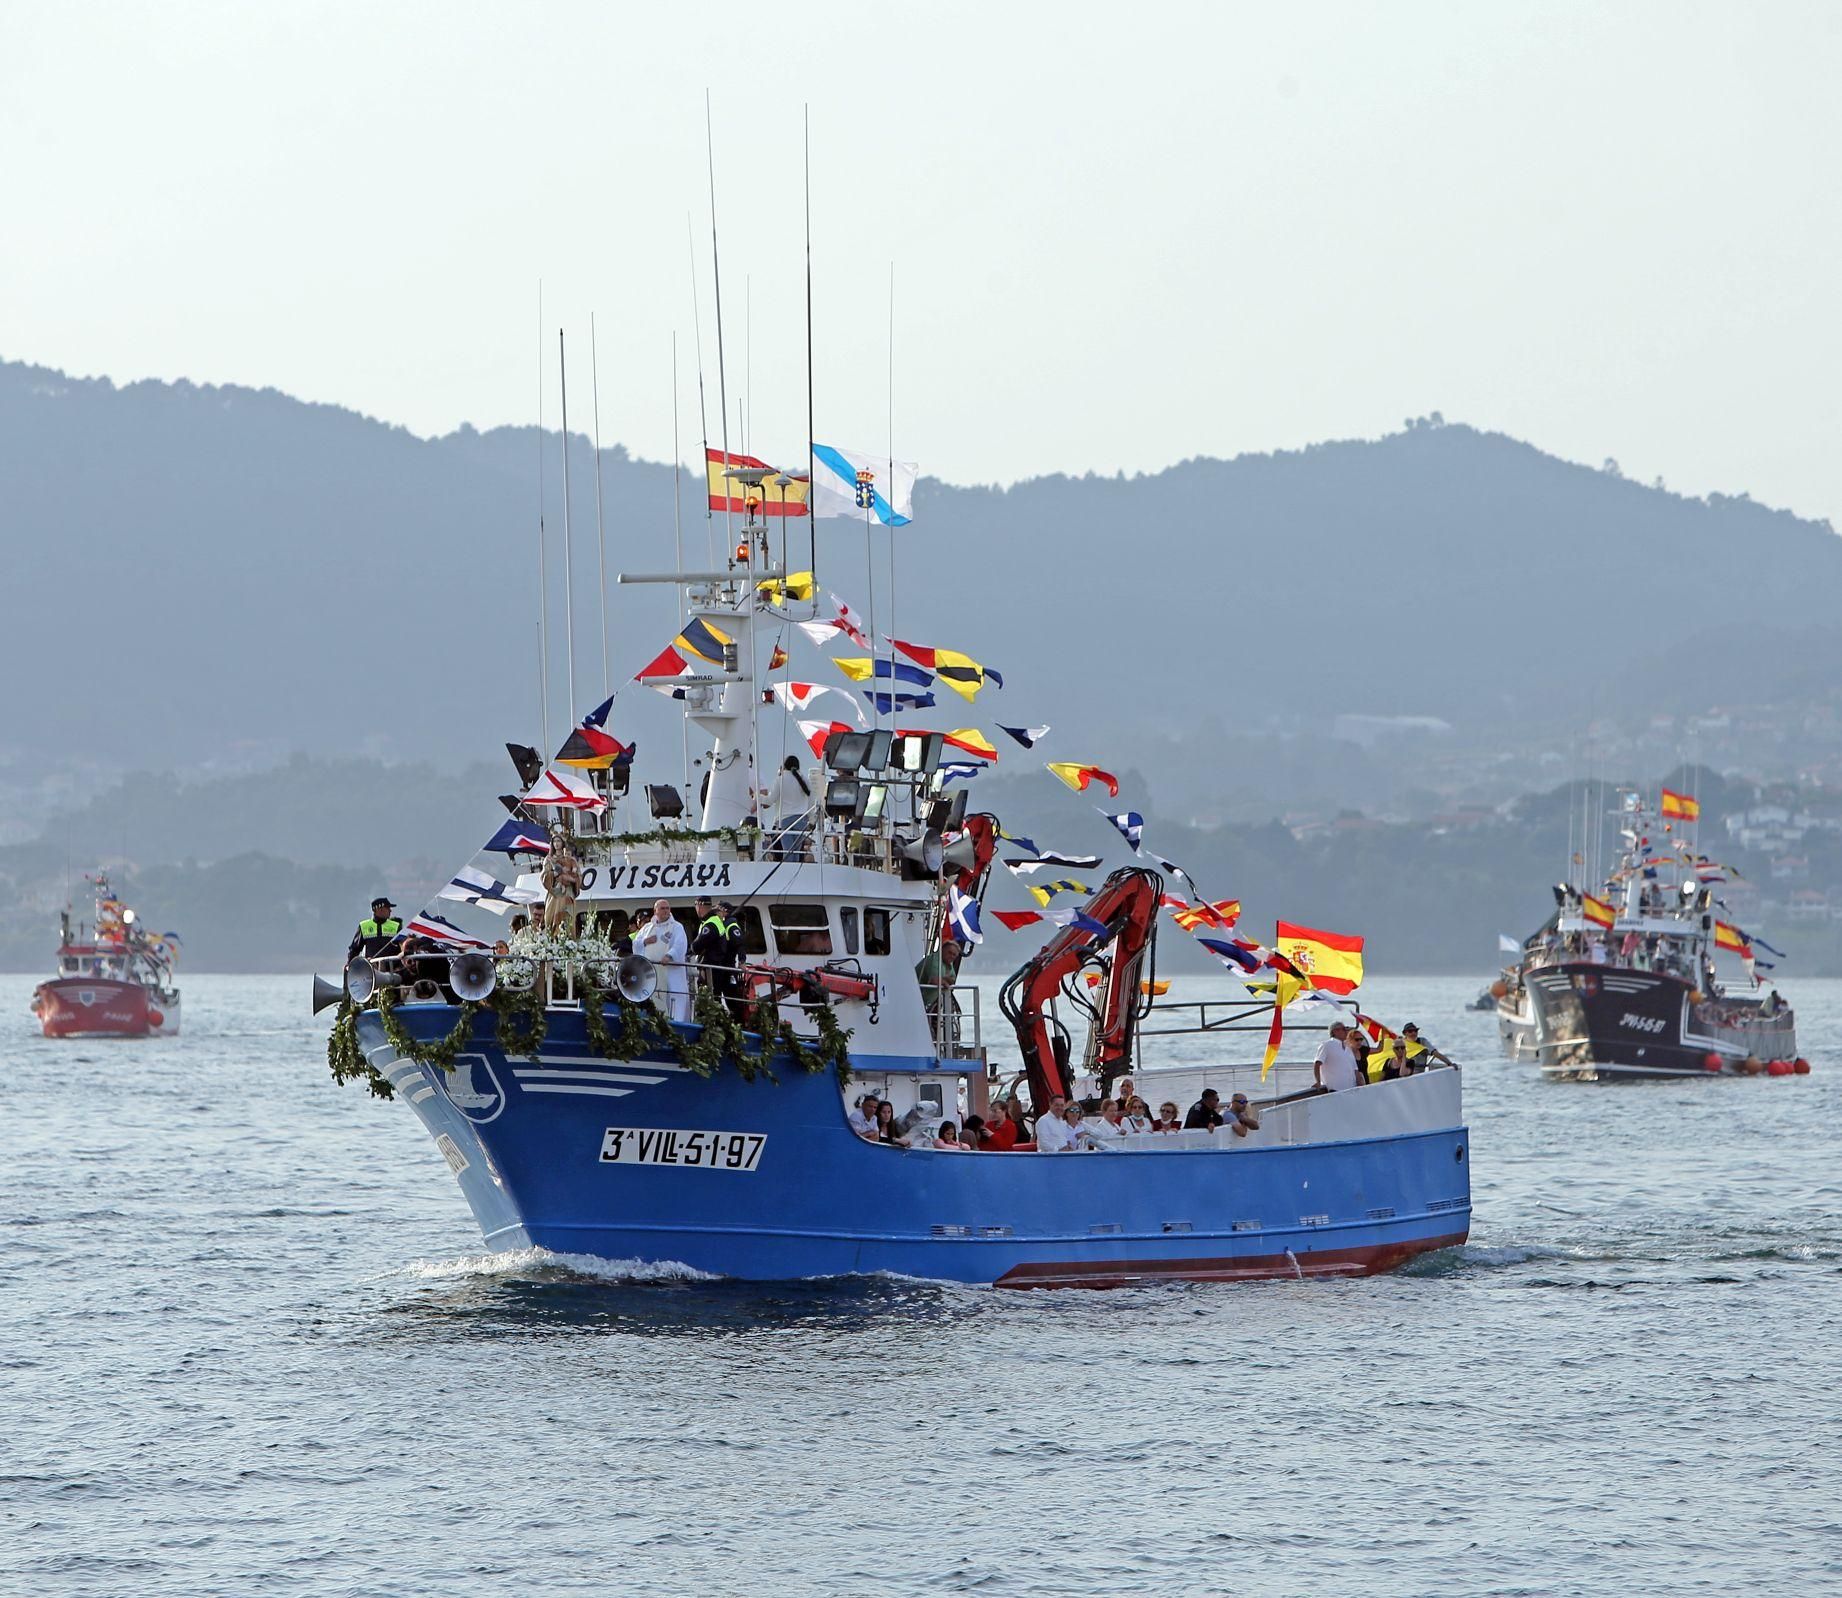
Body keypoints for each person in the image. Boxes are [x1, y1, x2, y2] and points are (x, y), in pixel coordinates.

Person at [635, 899, 690, 1022]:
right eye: (662, 908)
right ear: (655, 911)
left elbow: (680, 944)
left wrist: (670, 956)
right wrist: (645, 941)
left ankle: (677, 1023)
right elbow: (636, 943)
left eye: (667, 908)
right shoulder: (647, 928)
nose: (666, 911)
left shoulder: (676, 927)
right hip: (651, 973)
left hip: (671, 973)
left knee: (673, 999)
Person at [348, 896, 403, 961]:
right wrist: (349, 964)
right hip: (373, 968)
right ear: (380, 909)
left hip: (394, 968)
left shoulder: (396, 926)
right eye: (388, 908)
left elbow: (403, 947)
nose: (390, 910)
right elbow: (355, 949)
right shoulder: (364, 926)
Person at [1314, 1021, 1362, 1092]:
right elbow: (1317, 1064)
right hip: (1335, 1090)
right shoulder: (1327, 1045)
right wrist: (1318, 1081)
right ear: (1335, 1031)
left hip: (1351, 1090)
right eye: (1344, 1029)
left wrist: (1360, 1087)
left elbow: (1355, 1070)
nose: (1347, 1032)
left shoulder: (1348, 1047)